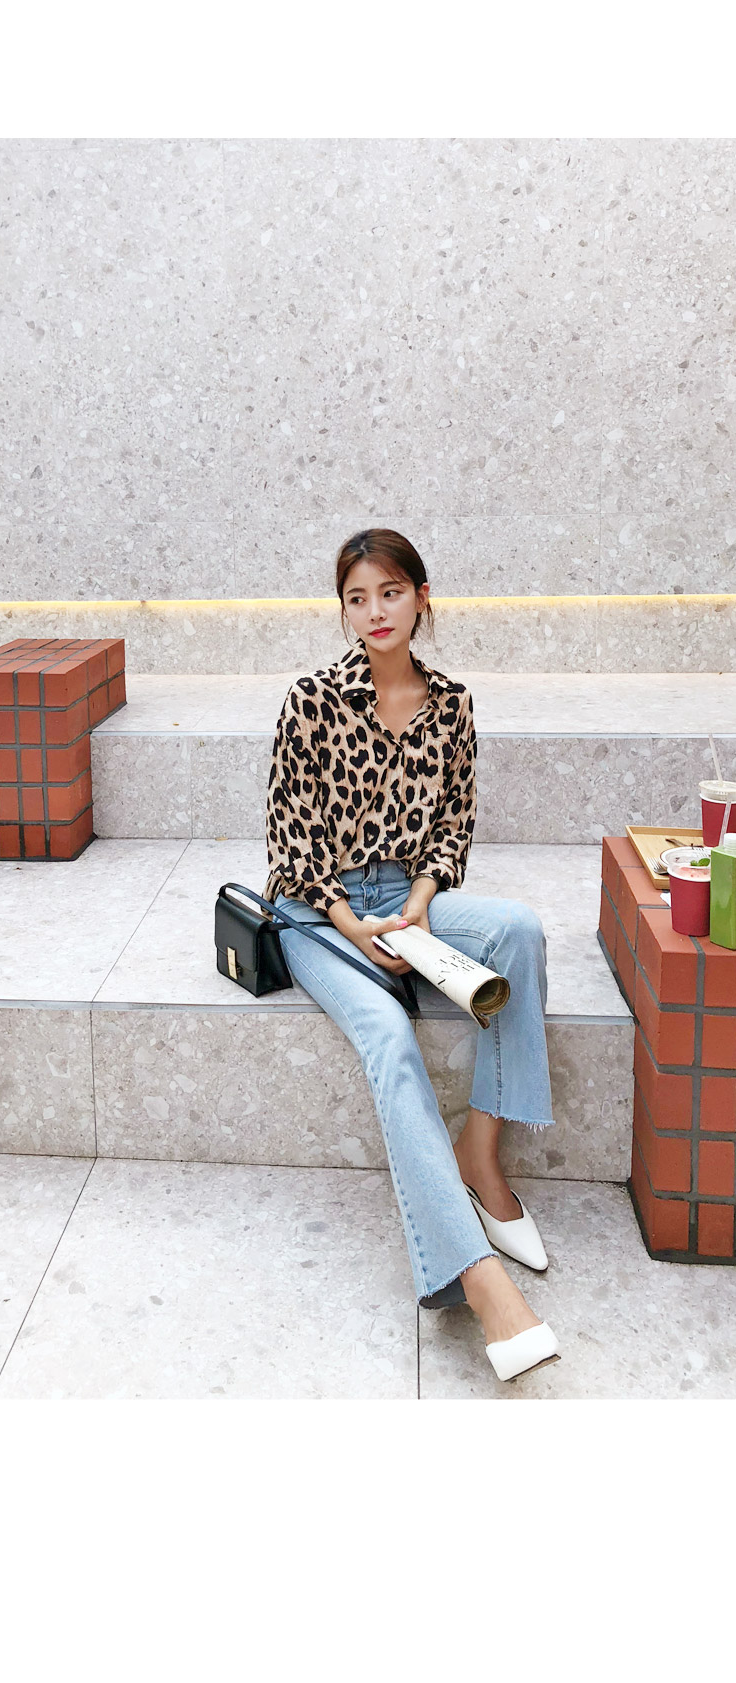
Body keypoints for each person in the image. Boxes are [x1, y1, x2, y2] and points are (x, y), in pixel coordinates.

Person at [264, 528, 561, 1384]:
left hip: (407, 895)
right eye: (357, 598)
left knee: (518, 930)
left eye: (390, 592)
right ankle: (478, 1278)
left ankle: (480, 1153)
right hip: (316, 910)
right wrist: (351, 923)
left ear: (421, 597)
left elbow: (453, 826)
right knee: (390, 1038)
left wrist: (422, 904)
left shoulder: (453, 704)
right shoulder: (312, 700)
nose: (374, 612)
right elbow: (290, 839)